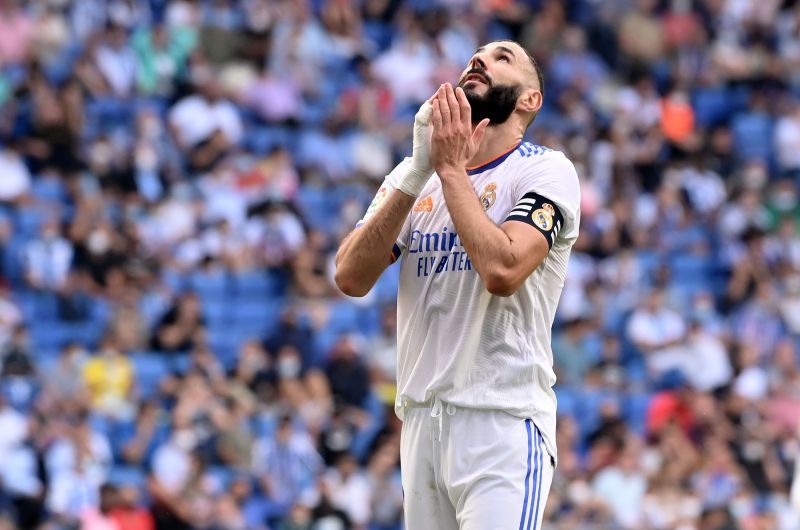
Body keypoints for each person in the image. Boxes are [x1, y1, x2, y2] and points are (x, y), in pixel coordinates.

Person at [335, 40, 581, 530]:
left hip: (501, 421)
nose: (481, 60)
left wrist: (448, 169)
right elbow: (350, 276)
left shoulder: (545, 170)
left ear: (530, 99)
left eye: (503, 57)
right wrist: (420, 167)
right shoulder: (417, 174)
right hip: (421, 424)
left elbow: (503, 272)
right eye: (477, 55)